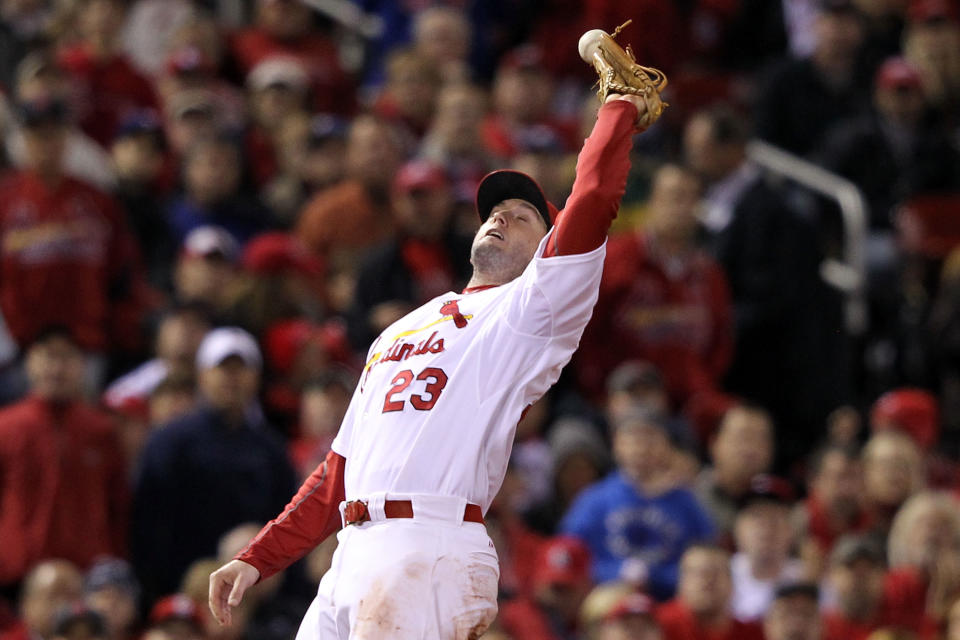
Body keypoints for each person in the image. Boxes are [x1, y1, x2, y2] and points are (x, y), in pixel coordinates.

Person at [208, 90, 650, 638]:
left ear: (548, 250)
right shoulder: (400, 327)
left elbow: (592, 200)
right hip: (353, 549)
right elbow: (336, 475)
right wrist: (258, 557)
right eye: (493, 213)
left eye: (521, 217)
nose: (499, 219)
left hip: (430, 541)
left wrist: (617, 111)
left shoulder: (528, 311)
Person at [132, 327, 296, 605]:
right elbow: (148, 523)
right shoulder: (170, 441)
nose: (231, 379)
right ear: (202, 375)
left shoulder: (271, 449)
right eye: (222, 368)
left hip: (254, 596)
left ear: (256, 377)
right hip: (182, 592)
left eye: (241, 369)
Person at [0, 328, 128, 588]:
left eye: (67, 358)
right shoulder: (6, 427)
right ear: (29, 363)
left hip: (88, 572)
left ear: (82, 366)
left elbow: (117, 504)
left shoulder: (100, 430)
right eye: (48, 357)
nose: (57, 368)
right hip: (17, 572)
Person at [561, 405, 715, 599]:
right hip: (606, 603)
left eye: (650, 438)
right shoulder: (594, 500)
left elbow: (708, 559)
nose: (641, 447)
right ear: (616, 444)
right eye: (633, 439)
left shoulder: (686, 502)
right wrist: (615, 571)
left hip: (668, 605)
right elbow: (569, 556)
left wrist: (654, 575)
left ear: (666, 445)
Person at [655, 545, 765, 640]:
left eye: (716, 572)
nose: (707, 580)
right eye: (697, 573)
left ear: (732, 583)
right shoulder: (656, 627)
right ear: (681, 582)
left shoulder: (752, 634)